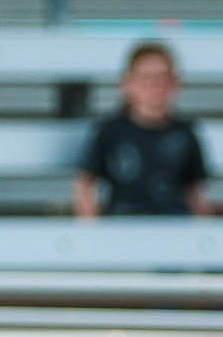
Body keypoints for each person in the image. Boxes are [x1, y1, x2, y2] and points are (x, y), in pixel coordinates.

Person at [73, 42, 210, 218]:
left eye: (163, 77)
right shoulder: (110, 131)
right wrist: (92, 228)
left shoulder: (185, 132)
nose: (155, 85)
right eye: (146, 77)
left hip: (174, 224)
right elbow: (85, 183)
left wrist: (204, 229)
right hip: (124, 224)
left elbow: (195, 192)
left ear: (176, 84)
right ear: (127, 83)